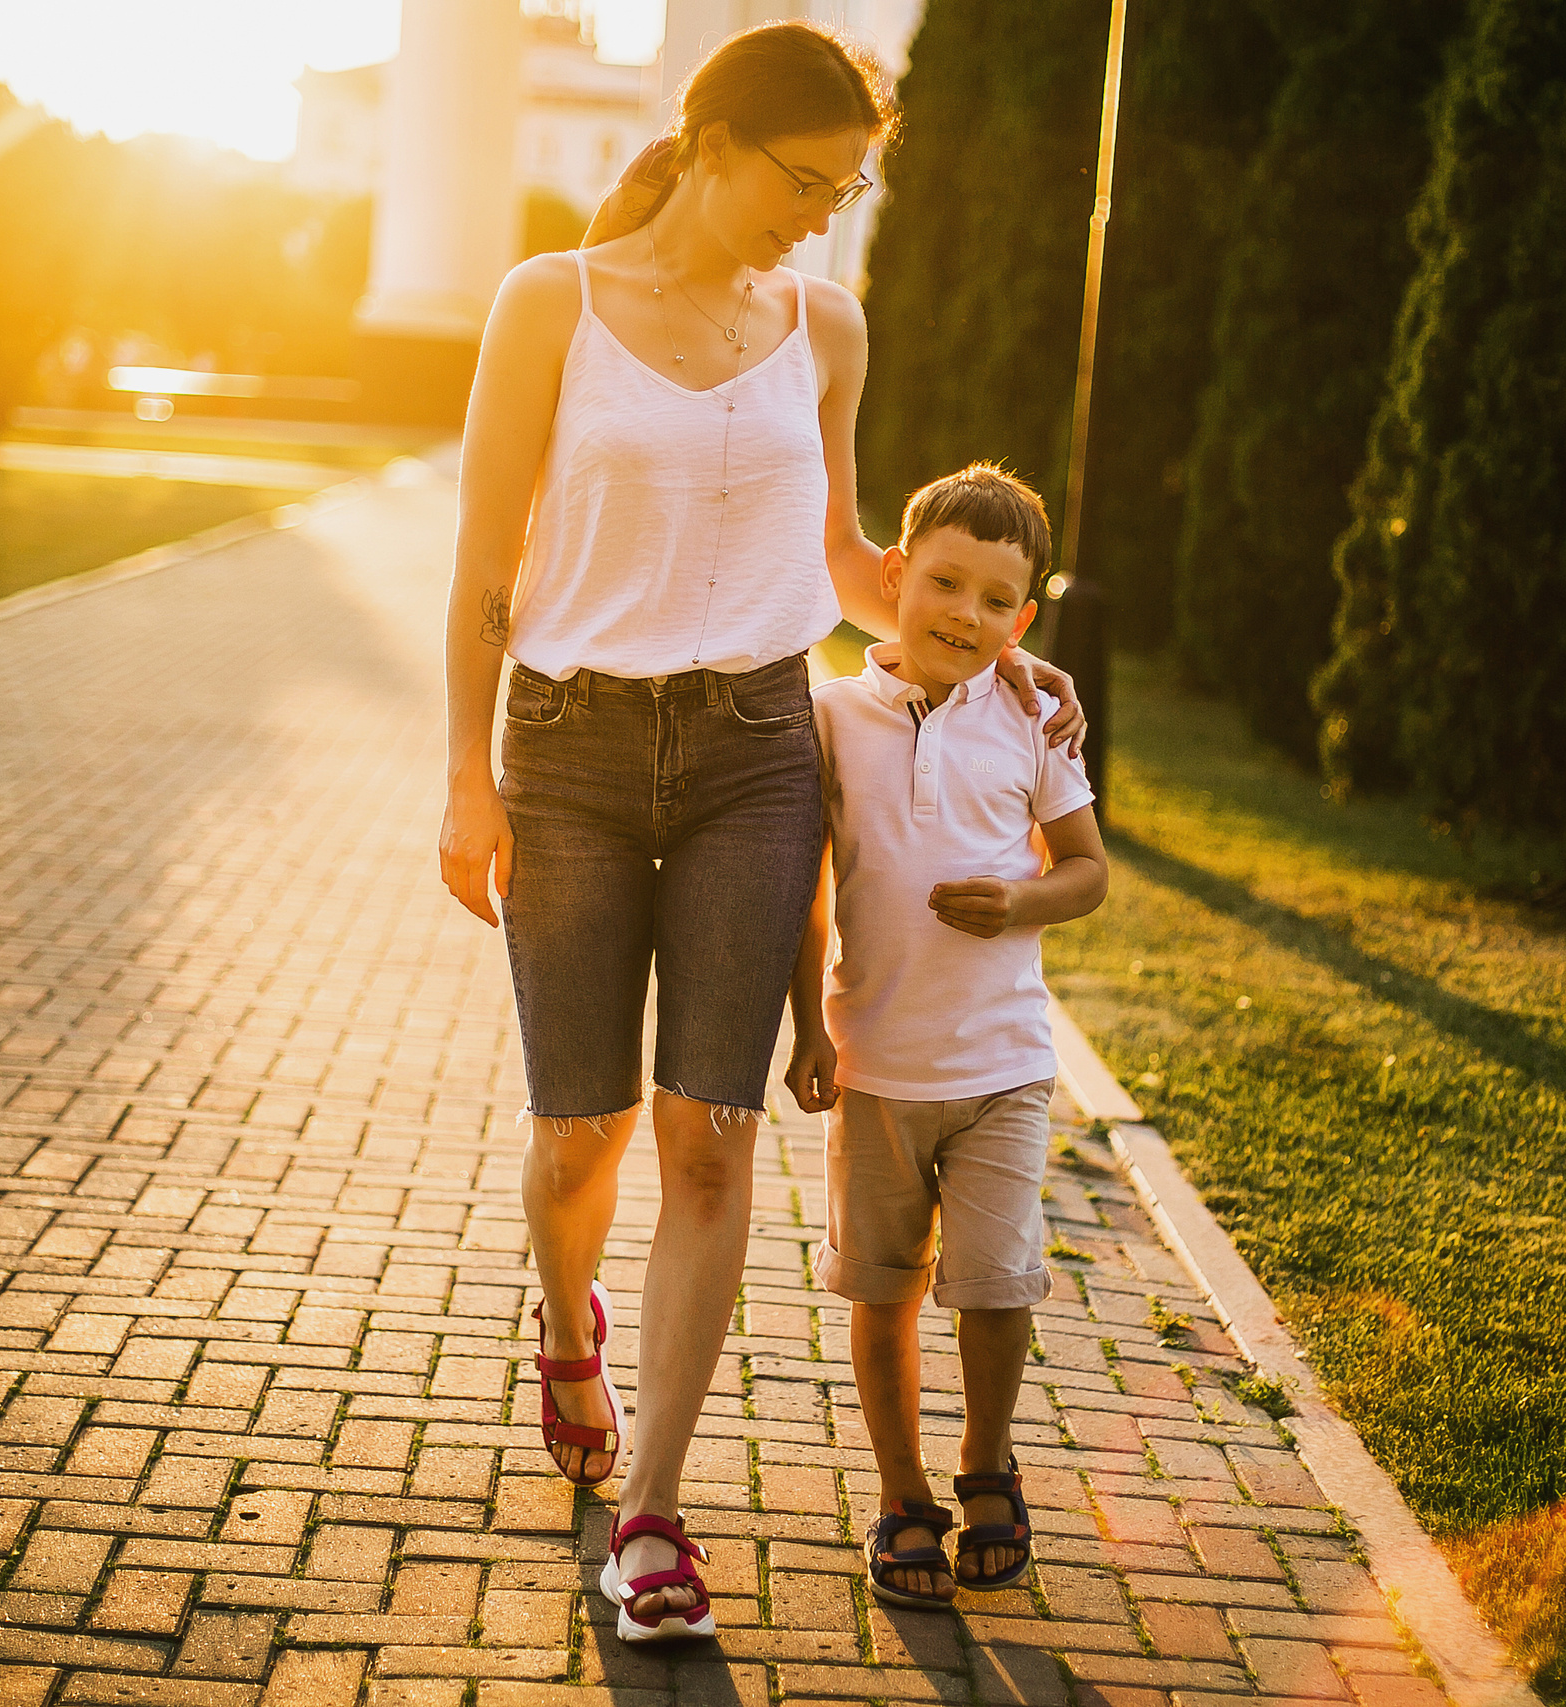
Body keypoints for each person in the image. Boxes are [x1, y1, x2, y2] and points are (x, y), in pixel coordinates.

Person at [437, 24, 1084, 1646]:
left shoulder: (826, 324)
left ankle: (650, 1510)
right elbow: (484, 566)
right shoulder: (548, 304)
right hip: (574, 752)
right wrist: (467, 770)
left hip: (753, 752)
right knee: (578, 1133)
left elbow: (849, 556)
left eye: (844, 188)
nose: (822, 213)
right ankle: (566, 1321)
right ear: (712, 142)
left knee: (707, 1130)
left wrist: (990, 637)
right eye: (805, 181)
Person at [783, 464, 1109, 1608]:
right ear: (894, 577)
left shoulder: (1031, 714)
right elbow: (801, 885)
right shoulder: (830, 716)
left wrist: (1021, 901)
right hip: (873, 1060)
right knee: (880, 1288)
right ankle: (901, 1492)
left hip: (1004, 1066)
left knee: (992, 1283)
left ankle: (984, 1465)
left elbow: (1086, 873)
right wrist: (806, 1028)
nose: (963, 614)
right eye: (943, 583)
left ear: (1023, 620)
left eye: (992, 600)